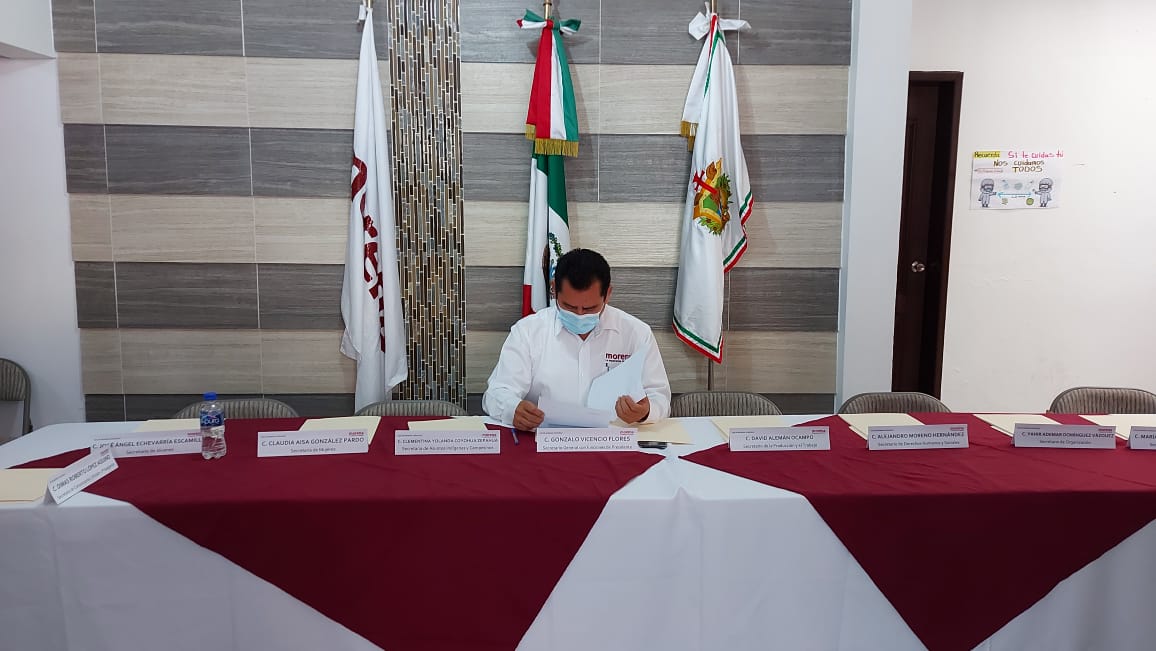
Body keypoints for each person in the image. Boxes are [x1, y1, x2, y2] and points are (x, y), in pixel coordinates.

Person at [483, 249, 672, 431]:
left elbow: (660, 396)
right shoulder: (528, 332)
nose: (580, 315)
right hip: (545, 440)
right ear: (553, 288)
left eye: (589, 308)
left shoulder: (636, 333)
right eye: (569, 307)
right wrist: (513, 409)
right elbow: (495, 394)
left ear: (608, 294)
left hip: (613, 439)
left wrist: (645, 412)